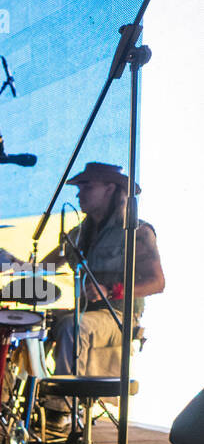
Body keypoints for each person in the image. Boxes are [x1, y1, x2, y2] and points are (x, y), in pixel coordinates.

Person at [44, 161, 165, 380]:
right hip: (85, 312)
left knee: (73, 327)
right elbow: (45, 266)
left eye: (87, 187)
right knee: (35, 323)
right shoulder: (77, 234)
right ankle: (25, 400)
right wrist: (4, 261)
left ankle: (60, 409)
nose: (79, 195)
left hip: (119, 317)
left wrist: (110, 291)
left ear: (110, 189)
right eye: (79, 189)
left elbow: (157, 282)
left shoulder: (137, 232)